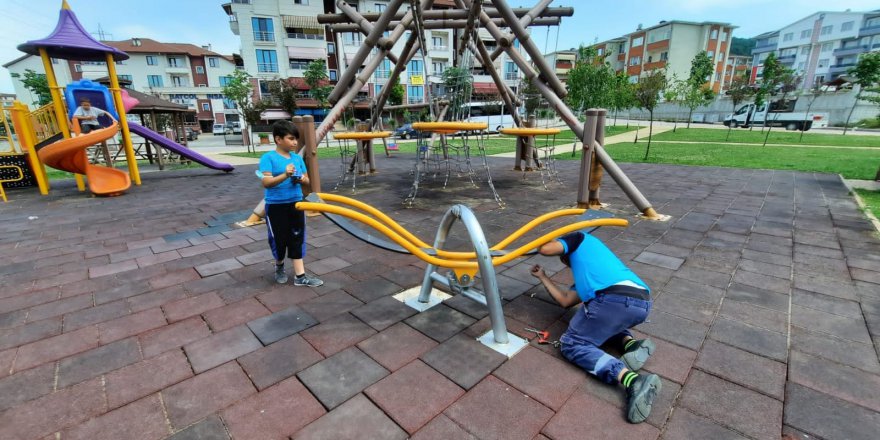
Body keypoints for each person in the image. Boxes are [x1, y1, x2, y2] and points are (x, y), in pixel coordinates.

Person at [530, 231, 660, 424]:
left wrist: (548, 240)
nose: (564, 262)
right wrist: (543, 277)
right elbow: (565, 301)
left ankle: (632, 380)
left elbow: (544, 248)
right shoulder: (591, 273)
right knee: (600, 320)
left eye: (563, 258)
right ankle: (630, 344)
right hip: (641, 303)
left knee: (572, 343)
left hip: (612, 300)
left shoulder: (577, 237)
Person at [259, 120, 323, 287]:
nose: (295, 142)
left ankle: (300, 277)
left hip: (296, 204)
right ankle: (279, 266)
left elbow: (307, 180)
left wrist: (302, 179)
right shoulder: (268, 158)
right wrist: (285, 175)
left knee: (297, 238)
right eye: (291, 138)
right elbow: (266, 182)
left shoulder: (297, 159)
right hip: (275, 206)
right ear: (278, 139)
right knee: (279, 240)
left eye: (296, 139)